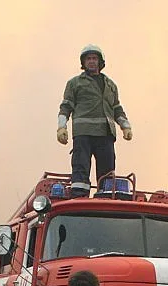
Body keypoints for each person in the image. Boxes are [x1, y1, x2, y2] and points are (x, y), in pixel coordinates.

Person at [57, 44, 133, 198]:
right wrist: (61, 127)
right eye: (88, 59)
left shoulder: (111, 85)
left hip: (105, 134)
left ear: (100, 61)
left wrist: (126, 126)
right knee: (81, 166)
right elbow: (66, 106)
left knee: (107, 171)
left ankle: (104, 195)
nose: (91, 61)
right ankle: (79, 195)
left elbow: (116, 108)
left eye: (94, 58)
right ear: (83, 63)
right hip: (83, 133)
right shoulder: (75, 83)